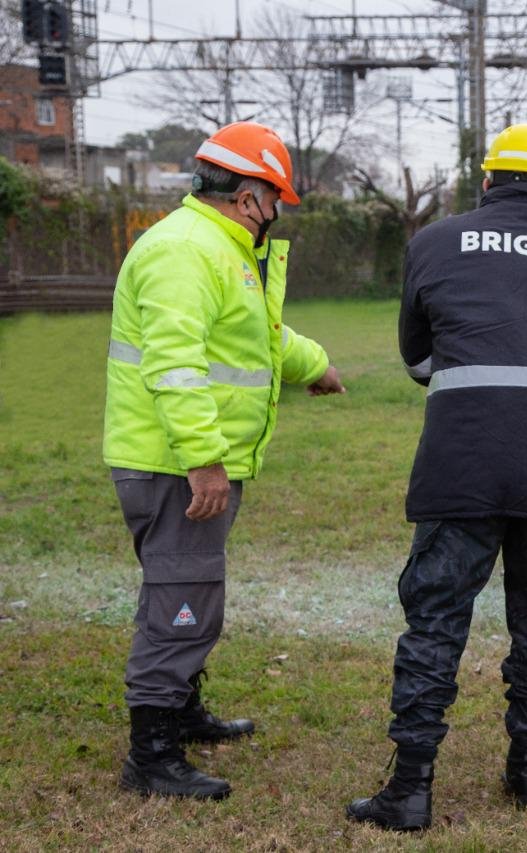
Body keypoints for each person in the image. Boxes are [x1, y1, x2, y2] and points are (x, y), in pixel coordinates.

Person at [347, 123, 527, 831]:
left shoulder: (435, 244)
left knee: (436, 621)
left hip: (463, 466)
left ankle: (410, 789)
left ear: (485, 180)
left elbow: (419, 362)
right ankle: (526, 770)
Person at [103, 121, 345, 800]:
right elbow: (175, 364)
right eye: (276, 200)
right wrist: (204, 460)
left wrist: (315, 365)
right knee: (184, 598)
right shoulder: (186, 251)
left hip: (178, 459)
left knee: (186, 588)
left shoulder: (217, 248)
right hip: (174, 465)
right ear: (248, 197)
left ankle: (180, 711)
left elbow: (254, 338)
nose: (277, 213)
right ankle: (151, 757)